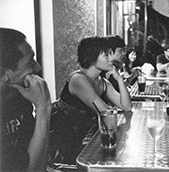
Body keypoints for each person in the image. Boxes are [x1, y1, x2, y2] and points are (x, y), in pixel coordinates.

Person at [50, 36, 132, 164]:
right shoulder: (78, 80)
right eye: (106, 55)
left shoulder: (102, 82)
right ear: (92, 57)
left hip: (85, 138)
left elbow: (126, 106)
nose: (111, 59)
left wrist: (120, 79)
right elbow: (106, 113)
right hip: (66, 143)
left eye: (111, 54)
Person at [0, 28, 52, 171]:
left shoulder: (19, 99)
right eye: (30, 62)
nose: (38, 67)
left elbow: (37, 162)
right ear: (3, 73)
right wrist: (44, 107)